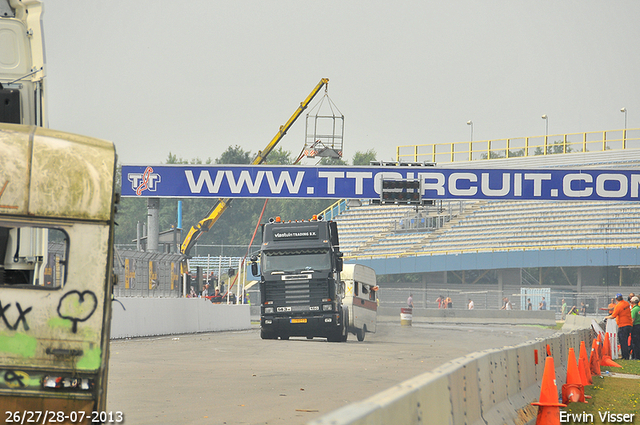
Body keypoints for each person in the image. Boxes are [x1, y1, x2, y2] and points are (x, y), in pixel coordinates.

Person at [606, 293, 633, 360]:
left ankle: (625, 356)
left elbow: (613, 316)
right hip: (629, 324)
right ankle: (627, 355)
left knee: (622, 341)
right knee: (626, 341)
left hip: (622, 325)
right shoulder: (626, 303)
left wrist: (606, 317)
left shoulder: (618, 306)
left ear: (616, 299)